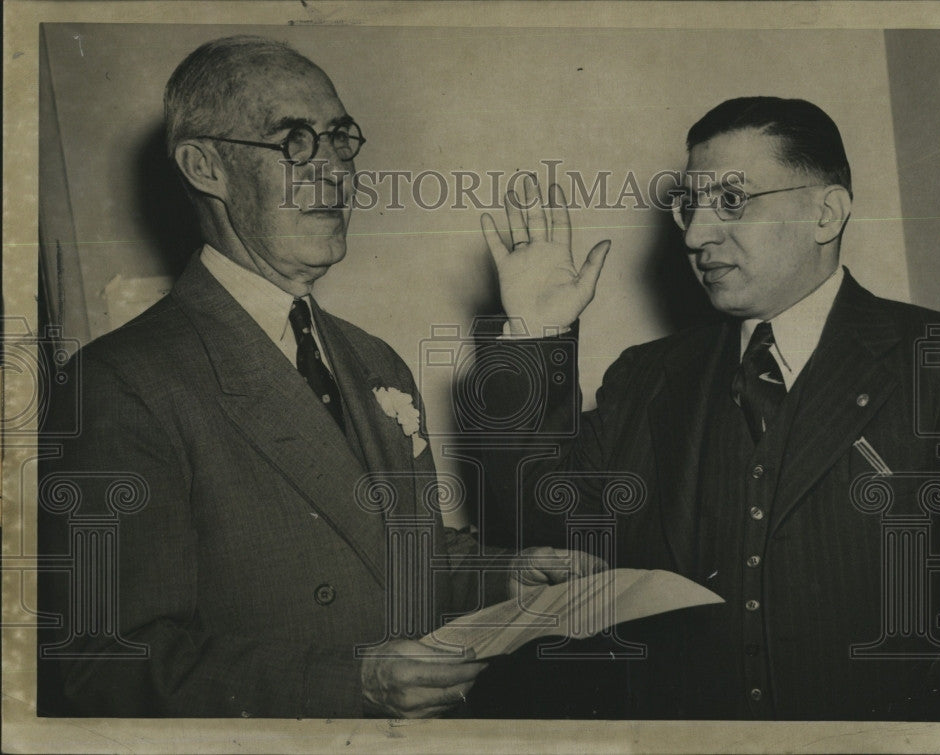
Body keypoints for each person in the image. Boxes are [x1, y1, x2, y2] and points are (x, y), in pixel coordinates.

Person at [36, 35, 601, 719]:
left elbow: (403, 558)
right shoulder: (123, 383)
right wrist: (348, 681)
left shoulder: (374, 361)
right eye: (297, 142)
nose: (335, 172)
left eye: (340, 139)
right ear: (203, 165)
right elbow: (106, 664)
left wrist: (506, 574)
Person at [471, 97, 940, 720]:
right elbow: (540, 527)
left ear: (826, 211)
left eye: (732, 201)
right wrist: (533, 337)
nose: (694, 235)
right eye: (689, 206)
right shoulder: (646, 378)